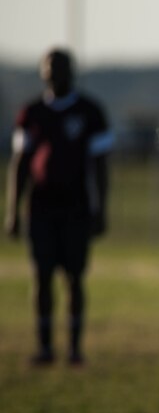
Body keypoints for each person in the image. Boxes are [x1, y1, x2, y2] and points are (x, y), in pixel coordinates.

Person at [6, 48, 112, 366]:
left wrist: (100, 208)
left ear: (71, 72)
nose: (55, 74)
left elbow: (101, 167)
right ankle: (45, 347)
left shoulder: (90, 112)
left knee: (74, 277)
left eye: (61, 68)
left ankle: (75, 348)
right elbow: (20, 165)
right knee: (41, 276)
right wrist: (12, 210)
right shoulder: (32, 113)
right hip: (40, 208)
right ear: (43, 73)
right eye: (50, 68)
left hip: (75, 208)